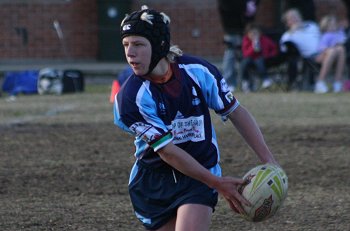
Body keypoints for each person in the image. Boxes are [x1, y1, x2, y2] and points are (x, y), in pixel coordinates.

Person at [114, 5, 279, 231]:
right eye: (126, 45)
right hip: (154, 183)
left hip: (200, 175)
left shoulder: (198, 71)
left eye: (139, 44)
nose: (130, 53)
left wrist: (269, 160)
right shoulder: (131, 97)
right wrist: (219, 184)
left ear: (160, 45)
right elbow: (168, 152)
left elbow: (235, 111)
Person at [217, 0, 261, 91]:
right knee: (231, 54)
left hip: (247, 29)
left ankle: (247, 83)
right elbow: (228, 5)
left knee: (248, 56)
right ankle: (229, 83)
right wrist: (245, 5)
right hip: (232, 28)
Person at [280, 8, 321, 90]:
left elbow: (322, 39)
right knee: (337, 51)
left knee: (338, 50)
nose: (295, 19)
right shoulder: (287, 35)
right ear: (287, 23)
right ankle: (321, 82)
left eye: (296, 16)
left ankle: (331, 83)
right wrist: (292, 32)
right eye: (291, 18)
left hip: (323, 52)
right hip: (308, 57)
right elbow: (284, 50)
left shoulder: (312, 25)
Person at [313, 14, 347, 93]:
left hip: (337, 56)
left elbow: (343, 39)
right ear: (325, 26)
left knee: (341, 49)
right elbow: (321, 48)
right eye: (330, 25)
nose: (333, 26)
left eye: (334, 24)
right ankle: (320, 82)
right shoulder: (326, 36)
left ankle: (337, 82)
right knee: (333, 50)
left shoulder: (339, 33)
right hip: (324, 56)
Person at [240, 23, 278, 92]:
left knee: (259, 61)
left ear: (259, 33)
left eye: (255, 33)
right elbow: (246, 54)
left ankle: (265, 79)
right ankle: (245, 81)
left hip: (262, 59)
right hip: (250, 59)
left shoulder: (264, 39)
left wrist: (270, 55)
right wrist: (253, 45)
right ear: (247, 34)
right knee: (244, 63)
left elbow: (274, 47)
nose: (254, 35)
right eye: (251, 33)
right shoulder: (246, 40)